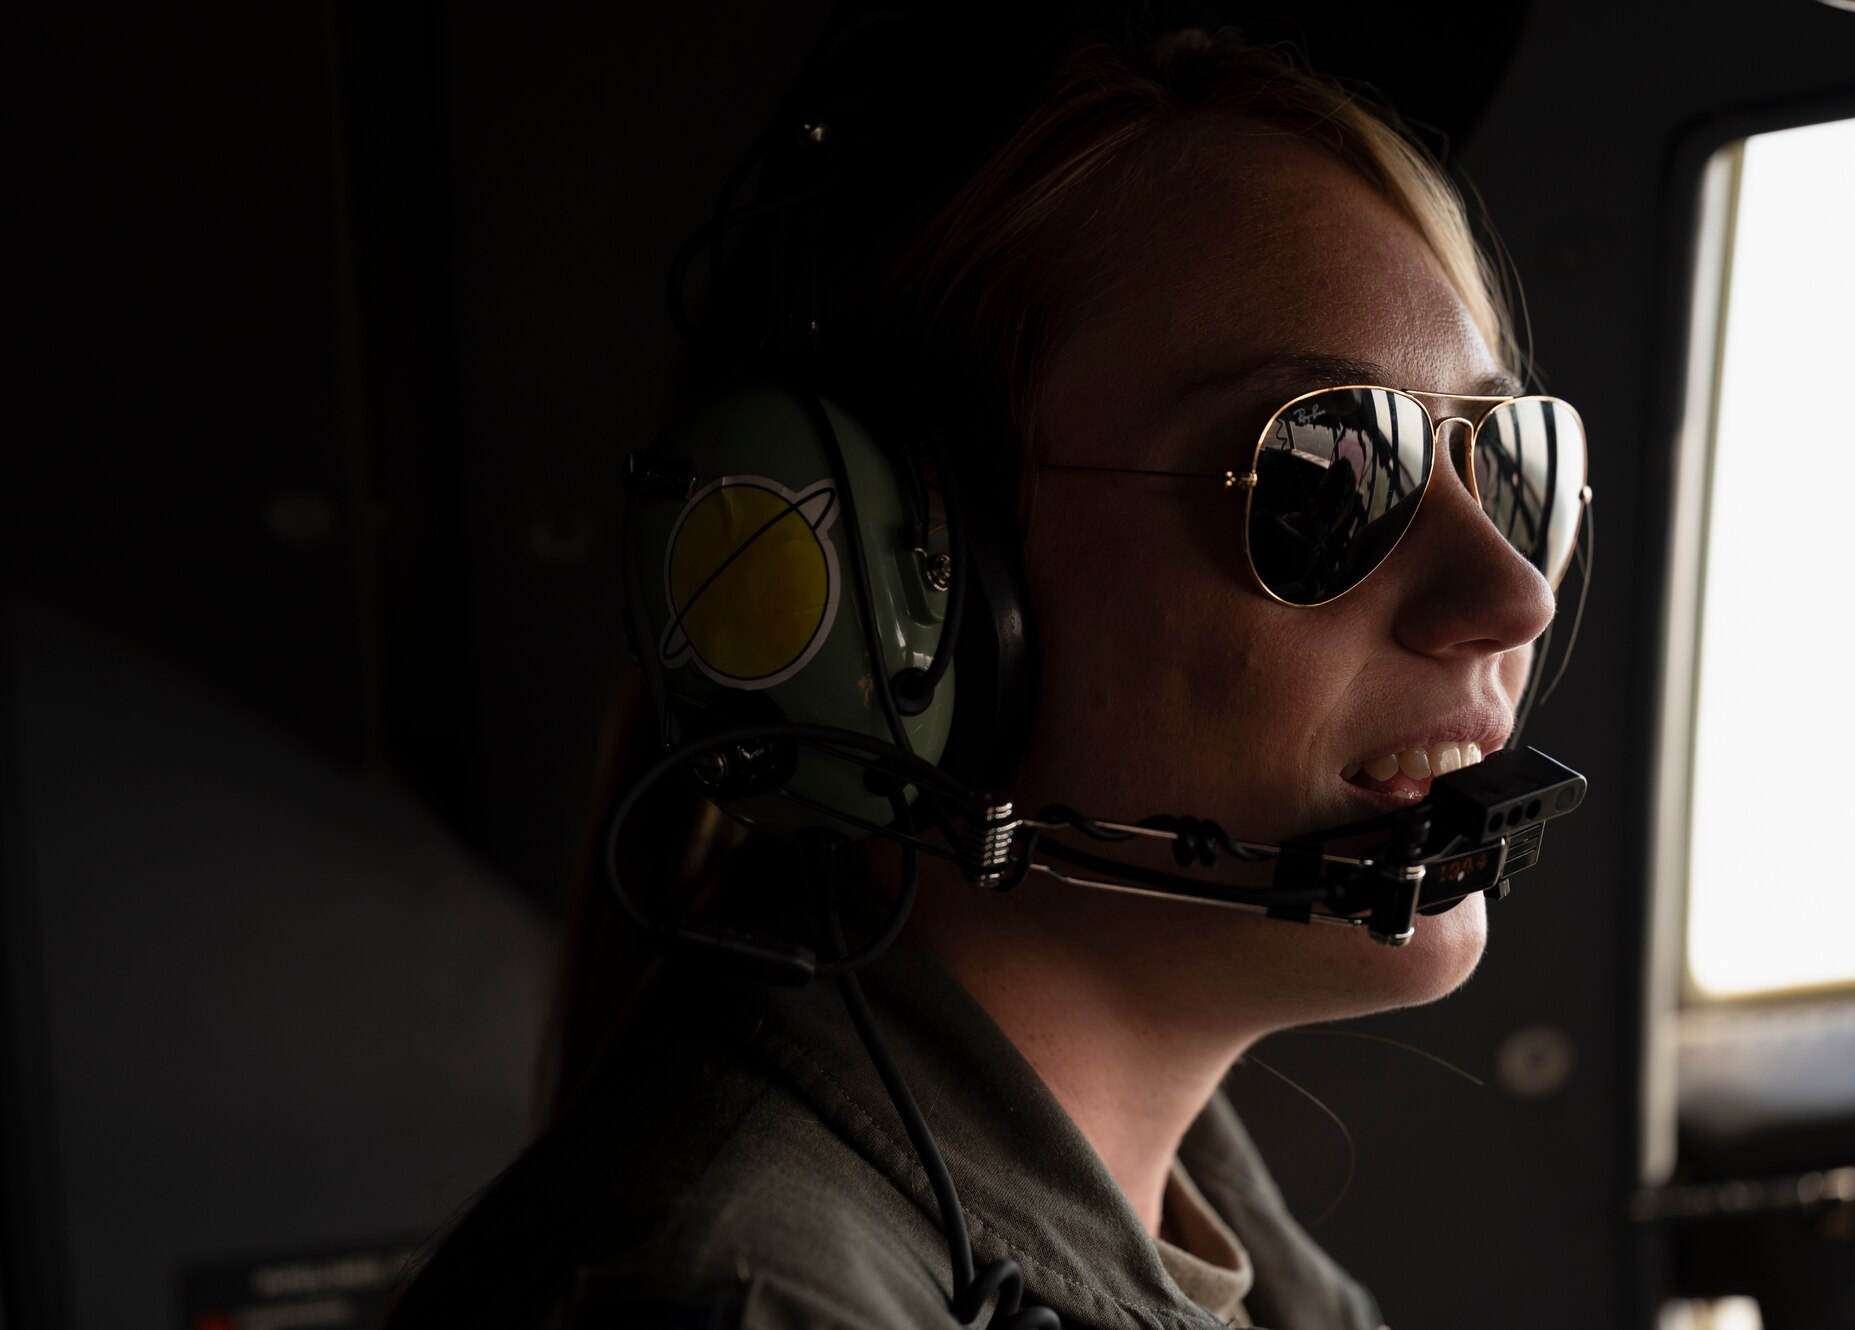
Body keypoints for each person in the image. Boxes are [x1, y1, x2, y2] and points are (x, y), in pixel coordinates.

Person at [387, 22, 1585, 1330]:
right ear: (909, 596)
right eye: (1327, 471)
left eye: (1500, 459)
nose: (1511, 597)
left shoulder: (1196, 1227)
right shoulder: (742, 1300)